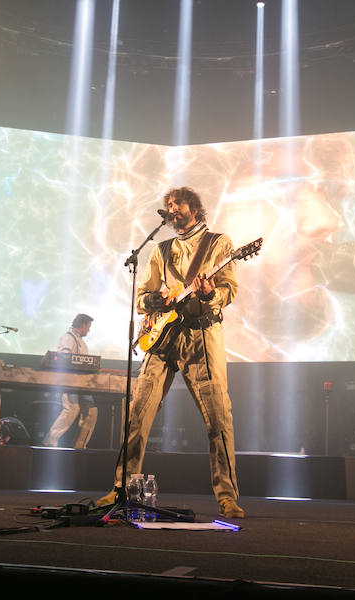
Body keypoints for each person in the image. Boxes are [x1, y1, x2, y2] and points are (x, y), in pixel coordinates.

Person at [96, 187, 245, 518]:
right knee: (138, 414)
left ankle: (226, 496)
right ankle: (121, 488)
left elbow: (229, 289)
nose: (171, 209)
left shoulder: (219, 243)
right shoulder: (161, 249)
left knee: (218, 417)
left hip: (201, 335)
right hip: (162, 338)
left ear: (194, 208)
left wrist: (209, 295)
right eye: (168, 206)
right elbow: (142, 294)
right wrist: (155, 301)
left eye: (177, 204)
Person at [42, 314, 98, 449]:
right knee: (72, 409)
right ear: (83, 324)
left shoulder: (80, 341)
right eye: (88, 327)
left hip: (81, 382)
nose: (89, 330)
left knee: (91, 411)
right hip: (70, 381)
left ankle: (80, 445)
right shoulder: (68, 337)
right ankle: (50, 440)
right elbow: (64, 358)